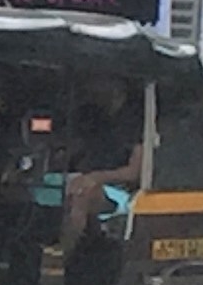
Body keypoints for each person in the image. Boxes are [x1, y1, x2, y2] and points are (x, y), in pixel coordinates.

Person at [58, 80, 143, 259]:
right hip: (78, 176)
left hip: (120, 191)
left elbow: (133, 172)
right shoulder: (94, 116)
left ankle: (71, 256)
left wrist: (97, 177)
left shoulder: (135, 123)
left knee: (82, 193)